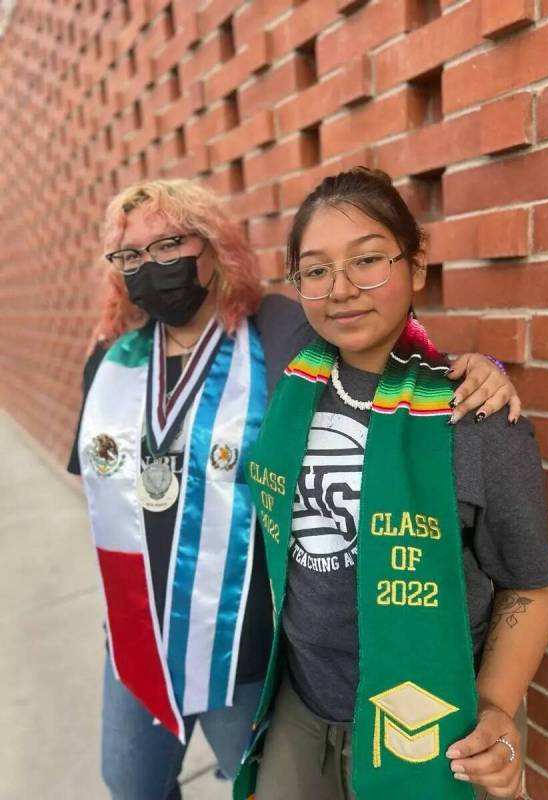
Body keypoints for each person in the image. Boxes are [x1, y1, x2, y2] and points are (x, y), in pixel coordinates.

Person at [67, 177, 522, 800]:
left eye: (169, 245)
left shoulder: (277, 333)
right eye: (131, 255)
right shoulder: (110, 362)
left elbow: (376, 349)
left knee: (249, 780)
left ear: (214, 246)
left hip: (237, 634)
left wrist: (480, 369)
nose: (152, 266)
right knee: (131, 784)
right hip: (138, 630)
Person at [237, 168, 548, 800]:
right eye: (316, 270)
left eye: (369, 261)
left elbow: (530, 585)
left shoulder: (474, 419)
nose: (343, 289)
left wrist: (495, 711)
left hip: (431, 716)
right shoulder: (291, 381)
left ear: (416, 265)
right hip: (301, 706)